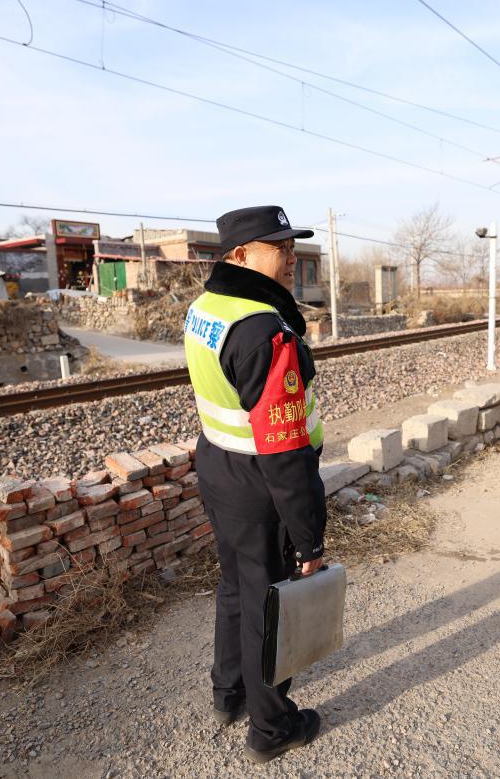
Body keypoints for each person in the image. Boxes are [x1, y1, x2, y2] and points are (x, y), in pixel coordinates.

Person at [184, 205, 326, 763]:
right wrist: (309, 537)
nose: (290, 258)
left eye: (292, 246)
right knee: (269, 598)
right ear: (240, 255)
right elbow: (287, 450)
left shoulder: (207, 307)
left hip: (217, 465)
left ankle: (230, 693)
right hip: (260, 483)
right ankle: (271, 729)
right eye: (279, 247)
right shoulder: (266, 330)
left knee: (236, 586)